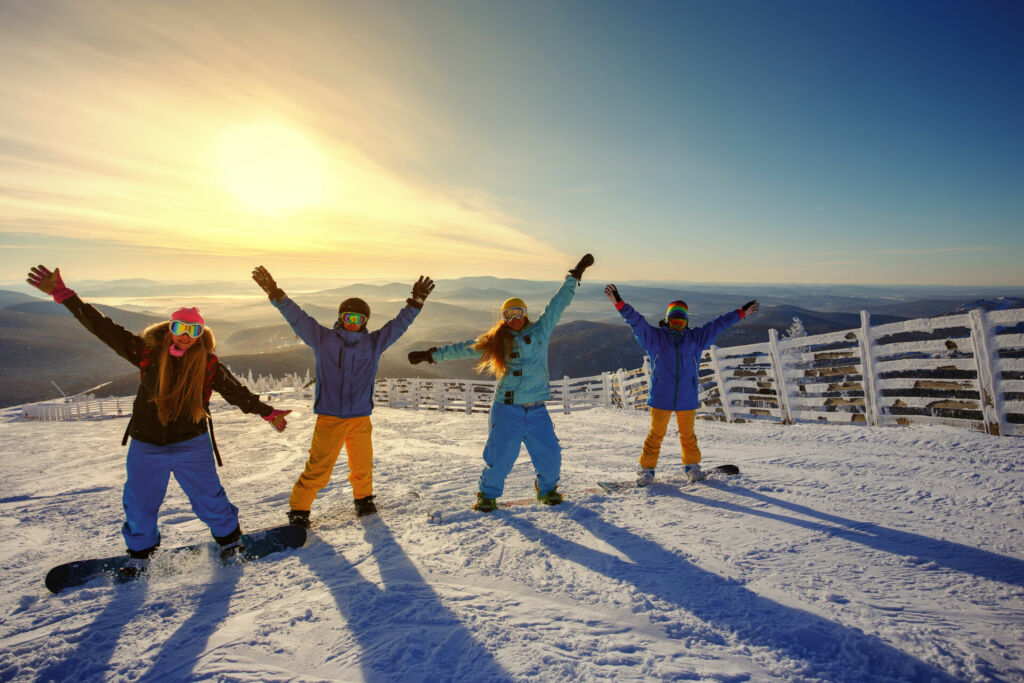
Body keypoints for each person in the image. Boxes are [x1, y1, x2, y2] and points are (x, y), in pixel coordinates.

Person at [25, 265, 290, 576]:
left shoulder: (207, 363)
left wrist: (268, 413)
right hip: (146, 443)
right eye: (181, 328)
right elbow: (103, 328)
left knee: (209, 496)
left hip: (191, 442)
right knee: (139, 501)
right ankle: (140, 552)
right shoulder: (146, 352)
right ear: (170, 327)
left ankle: (230, 540)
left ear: (201, 334)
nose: (186, 336)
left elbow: (236, 392)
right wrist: (64, 295)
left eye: (194, 331)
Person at [408, 254, 594, 512]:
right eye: (510, 314)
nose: (515, 317)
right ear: (504, 317)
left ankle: (548, 489)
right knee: (501, 457)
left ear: (526, 314)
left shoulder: (540, 330)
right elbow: (464, 349)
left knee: (550, 454)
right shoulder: (496, 341)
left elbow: (558, 304)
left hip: (537, 409)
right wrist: (431, 355)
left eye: (519, 312)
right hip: (507, 408)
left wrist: (574, 276)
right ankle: (487, 494)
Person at [252, 266, 433, 525]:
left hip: (360, 417)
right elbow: (298, 318)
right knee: (318, 469)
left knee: (362, 465)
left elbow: (398, 326)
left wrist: (415, 304)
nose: (352, 322)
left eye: (358, 319)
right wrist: (275, 293)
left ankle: (364, 500)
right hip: (330, 418)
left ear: (365, 322)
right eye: (348, 317)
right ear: (340, 317)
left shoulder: (373, 344)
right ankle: (299, 510)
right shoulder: (324, 340)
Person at [604, 284, 759, 484]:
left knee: (688, 436)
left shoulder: (695, 338)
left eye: (680, 322)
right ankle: (646, 470)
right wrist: (619, 304)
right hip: (661, 397)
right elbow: (636, 321)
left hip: (686, 397)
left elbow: (718, 324)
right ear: (667, 321)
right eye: (673, 322)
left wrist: (741, 313)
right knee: (655, 435)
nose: (676, 326)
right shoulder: (655, 338)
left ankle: (692, 468)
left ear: (686, 323)